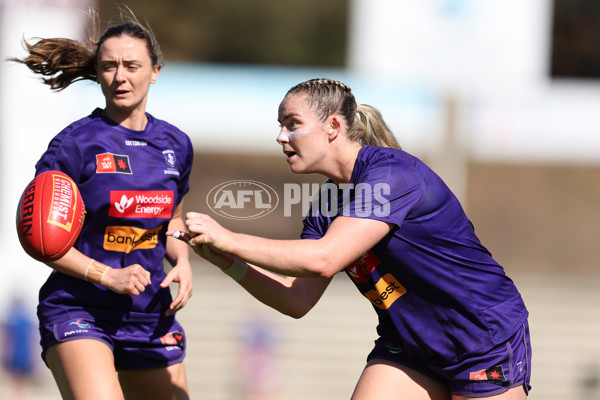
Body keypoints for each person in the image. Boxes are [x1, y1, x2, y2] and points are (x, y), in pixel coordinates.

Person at [176, 78, 532, 399]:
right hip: (411, 345)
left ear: (333, 126)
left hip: (481, 341)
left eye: (292, 124)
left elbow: (323, 258)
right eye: (281, 126)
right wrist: (227, 261)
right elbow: (297, 298)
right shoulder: (328, 201)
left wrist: (229, 238)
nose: (281, 136)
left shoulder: (392, 175)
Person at [11, 8, 193, 400]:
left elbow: (172, 218)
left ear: (155, 71)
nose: (120, 76)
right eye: (109, 66)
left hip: (148, 313)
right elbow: (40, 237)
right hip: (79, 308)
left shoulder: (176, 145)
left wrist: (181, 259)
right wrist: (106, 276)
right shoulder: (75, 144)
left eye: (132, 65)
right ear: (98, 72)